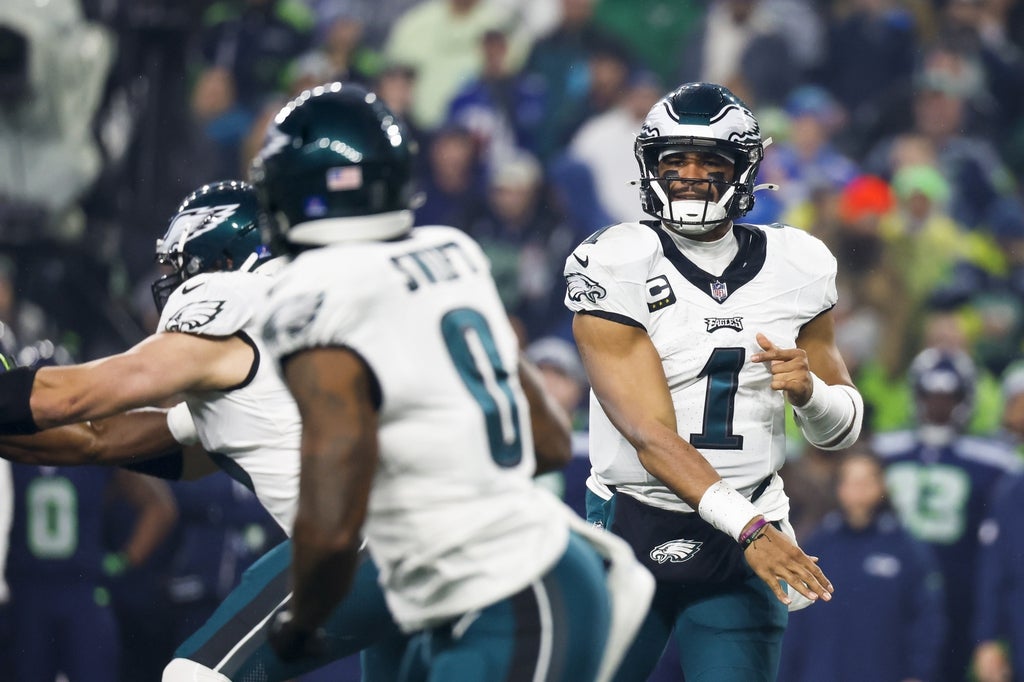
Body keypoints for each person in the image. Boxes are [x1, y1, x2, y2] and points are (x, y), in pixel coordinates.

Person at [0, 177, 584, 680]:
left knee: (194, 676)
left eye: (179, 269)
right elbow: (99, 439)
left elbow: (73, 396)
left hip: (376, 538)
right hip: (459, 535)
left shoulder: (229, 309)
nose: (171, 285)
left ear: (222, 262)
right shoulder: (283, 351)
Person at [251, 81, 654, 681]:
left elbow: (333, 524)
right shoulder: (453, 250)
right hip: (516, 582)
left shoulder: (309, 295)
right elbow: (544, 438)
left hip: (508, 597)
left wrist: (299, 624)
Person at [564, 81, 859, 681]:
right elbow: (650, 437)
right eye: (675, 160)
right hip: (634, 522)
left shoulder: (799, 264)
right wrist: (752, 531)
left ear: (744, 169)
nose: (691, 175)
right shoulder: (615, 261)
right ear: (650, 167)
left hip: (746, 534)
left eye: (710, 161)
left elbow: (841, 432)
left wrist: (810, 395)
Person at [874, 345, 1021, 682]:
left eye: (948, 396)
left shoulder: (995, 462)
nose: (938, 406)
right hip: (891, 585)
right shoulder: (883, 452)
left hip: (960, 589)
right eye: (930, 395)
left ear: (965, 398)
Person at [777, 450, 946, 682]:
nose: (859, 489)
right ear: (839, 487)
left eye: (867, 480)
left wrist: (918, 672)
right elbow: (794, 618)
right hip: (821, 672)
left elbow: (927, 618)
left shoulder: (906, 549)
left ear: (882, 486)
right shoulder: (817, 544)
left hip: (885, 671)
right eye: (852, 481)